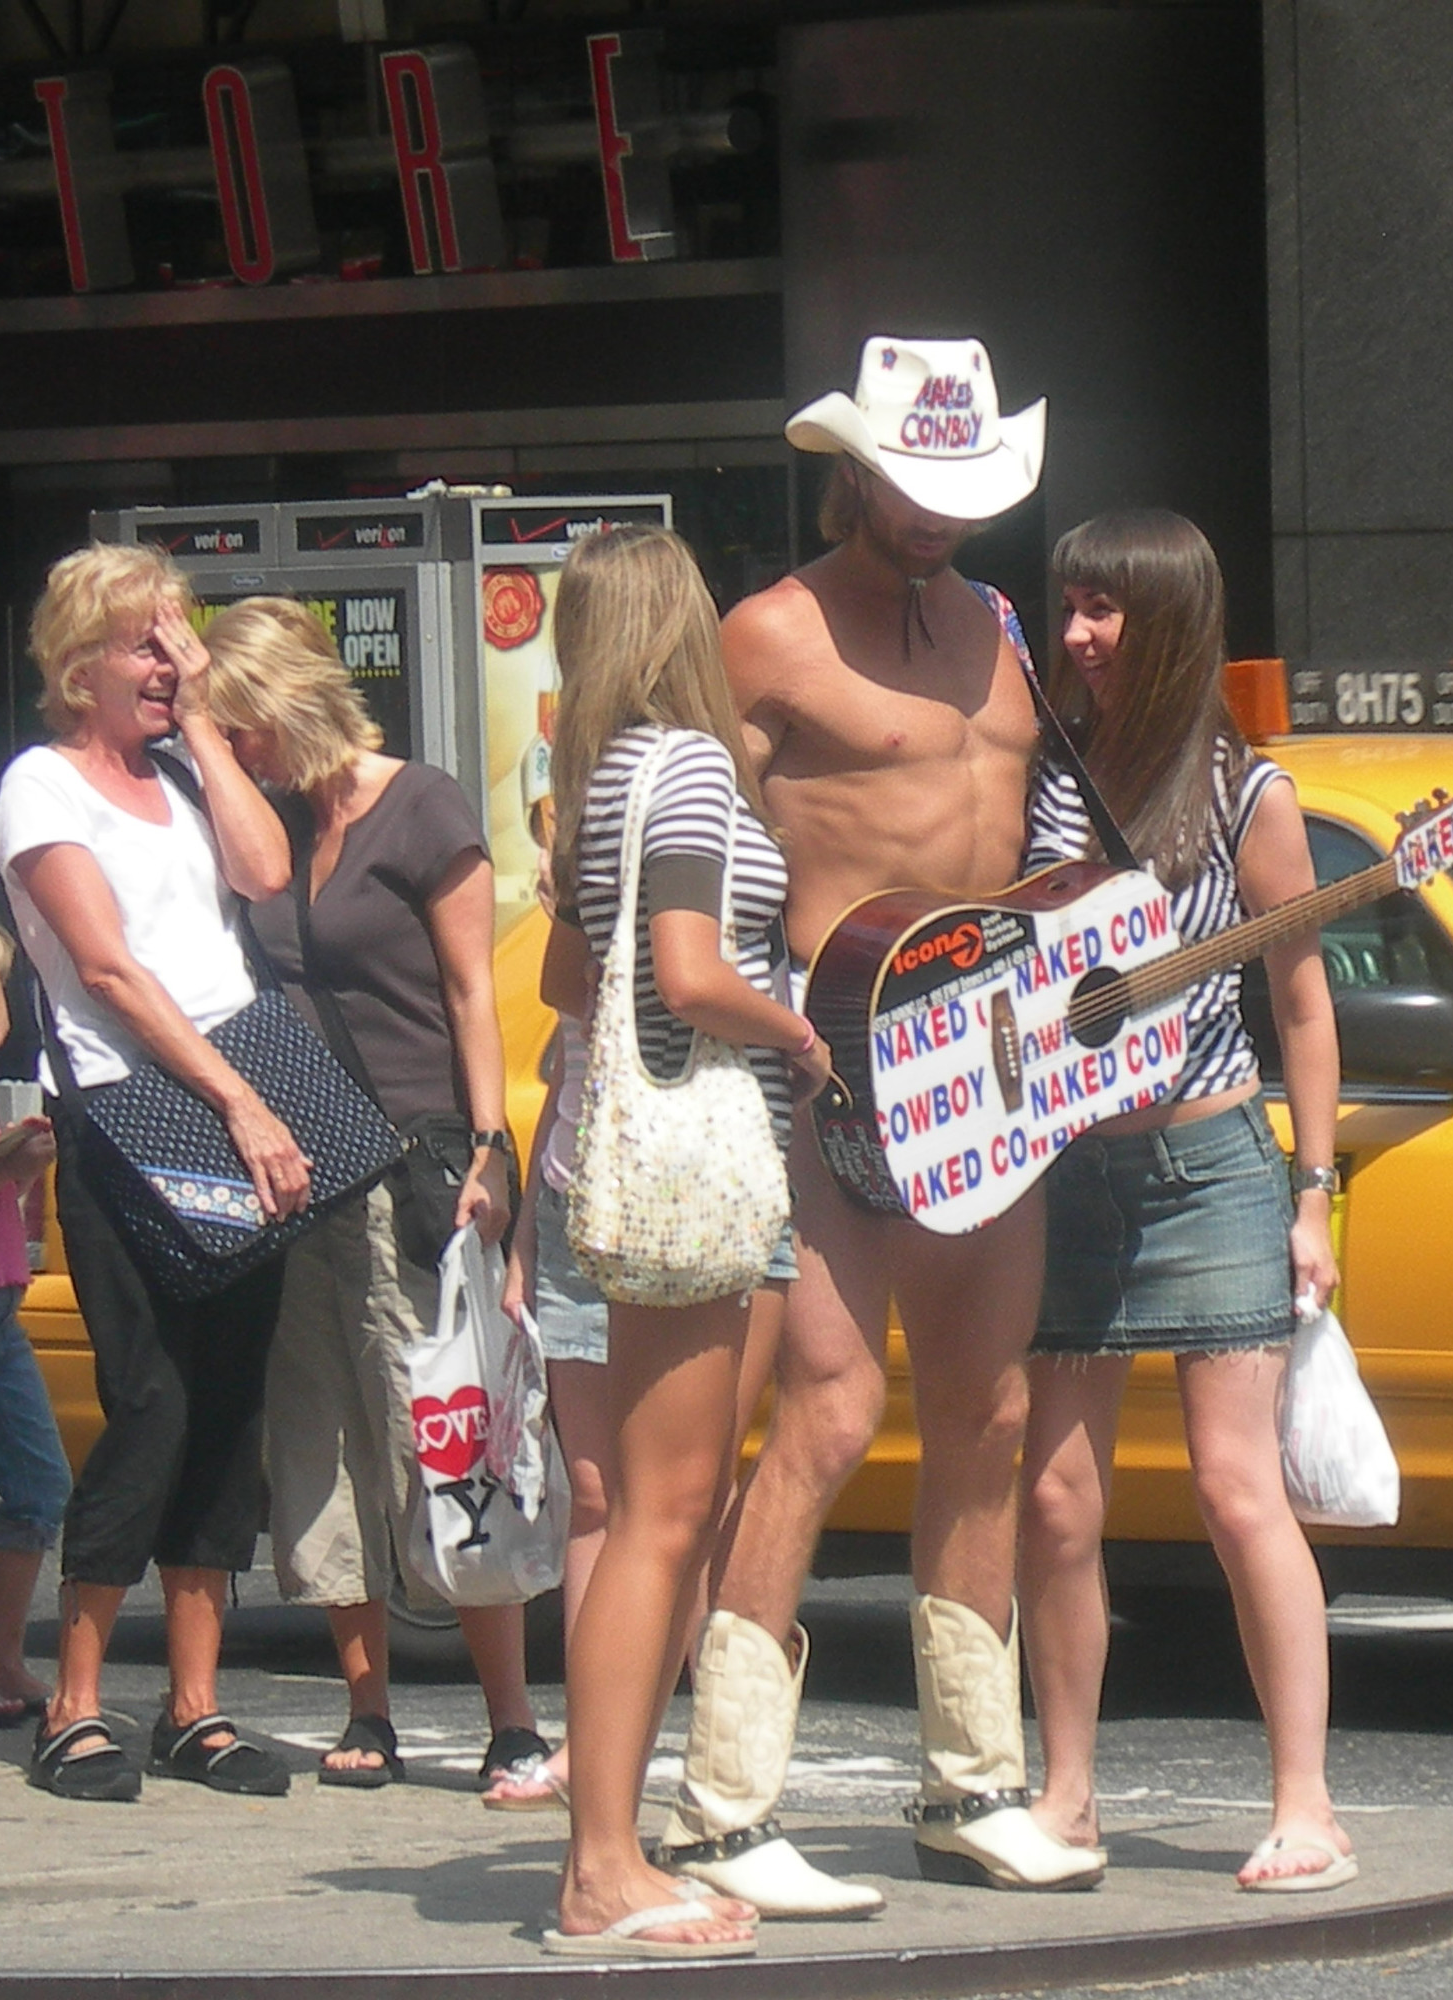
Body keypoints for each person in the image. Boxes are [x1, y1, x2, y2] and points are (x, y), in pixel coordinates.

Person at [653, 335, 1104, 1910]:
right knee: (830, 1418)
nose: (938, 517)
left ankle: (968, 1784)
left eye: (961, 492)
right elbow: (679, 824)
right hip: (834, 1057)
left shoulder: (993, 620)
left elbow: (1042, 815)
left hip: (993, 1058)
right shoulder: (768, 633)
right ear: (853, 471)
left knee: (984, 1416)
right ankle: (720, 1805)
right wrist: (739, 1009)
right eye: (914, 489)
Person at [1016, 509, 1354, 1892]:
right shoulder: (1045, 772)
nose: (1082, 635)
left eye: (1108, 610)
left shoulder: (1244, 791)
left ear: (1170, 623)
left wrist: (1313, 1195)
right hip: (1067, 1166)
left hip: (1209, 1164)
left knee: (1235, 1487)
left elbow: (1301, 1001)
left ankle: (1306, 1804)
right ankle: (1066, 1797)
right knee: (1053, 1501)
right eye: (1072, 607)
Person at [536, 523, 828, 1958]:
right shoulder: (694, 767)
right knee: (661, 1517)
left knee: (664, 1509)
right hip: (703, 1153)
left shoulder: (594, 784)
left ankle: (620, 1847)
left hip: (637, 1154)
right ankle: (600, 1867)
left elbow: (563, 978)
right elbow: (688, 976)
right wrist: (798, 1030)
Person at [202, 595, 543, 1792]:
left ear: (286, 705)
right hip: (298, 1171)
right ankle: (370, 1706)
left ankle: (512, 1719)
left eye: (238, 726)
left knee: (437, 1431)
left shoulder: (423, 802)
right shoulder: (270, 825)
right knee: (323, 1440)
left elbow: (469, 994)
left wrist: (492, 1150)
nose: (233, 752)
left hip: (411, 1156)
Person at [0, 541, 306, 1802]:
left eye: (179, 636)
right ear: (78, 666)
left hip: (242, 1103)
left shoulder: (182, 768)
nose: (170, 662)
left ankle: (195, 1702)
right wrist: (234, 1098)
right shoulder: (39, 786)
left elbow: (266, 872)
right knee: (153, 1400)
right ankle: (74, 1696)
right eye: (144, 642)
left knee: (230, 1407)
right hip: (136, 1110)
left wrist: (209, 729)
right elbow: (109, 968)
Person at [0, 920, 69, 1724]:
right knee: (37, 1484)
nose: (4, 997)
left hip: (0, 1304)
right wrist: (8, 1166)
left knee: (40, 1485)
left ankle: (0, 1658)